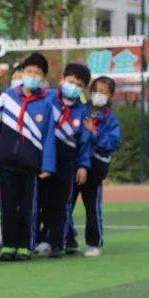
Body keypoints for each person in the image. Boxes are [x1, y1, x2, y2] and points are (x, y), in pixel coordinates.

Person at [0, 52, 56, 261]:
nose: (32, 76)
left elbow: (49, 136)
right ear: (22, 73)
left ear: (43, 78)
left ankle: (25, 246)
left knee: (28, 207)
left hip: (30, 165)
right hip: (5, 162)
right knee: (7, 206)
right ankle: (9, 245)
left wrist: (47, 166)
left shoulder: (46, 104)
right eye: (28, 71)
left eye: (37, 73)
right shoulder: (7, 97)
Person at [35, 62, 91, 257]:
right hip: (42, 158)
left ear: (83, 88)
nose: (73, 86)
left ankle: (56, 243)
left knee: (59, 204)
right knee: (39, 200)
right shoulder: (47, 98)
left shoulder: (83, 110)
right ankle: (36, 240)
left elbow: (84, 141)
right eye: (71, 81)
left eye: (79, 85)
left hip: (67, 162)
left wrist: (83, 165)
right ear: (62, 79)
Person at [67, 76, 121, 256]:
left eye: (104, 92)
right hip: (75, 166)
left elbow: (113, 143)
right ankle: (68, 240)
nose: (99, 95)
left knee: (92, 207)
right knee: (65, 205)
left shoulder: (111, 120)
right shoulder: (81, 112)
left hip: (95, 170)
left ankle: (94, 243)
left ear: (110, 95)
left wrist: (95, 132)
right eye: (96, 91)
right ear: (90, 92)